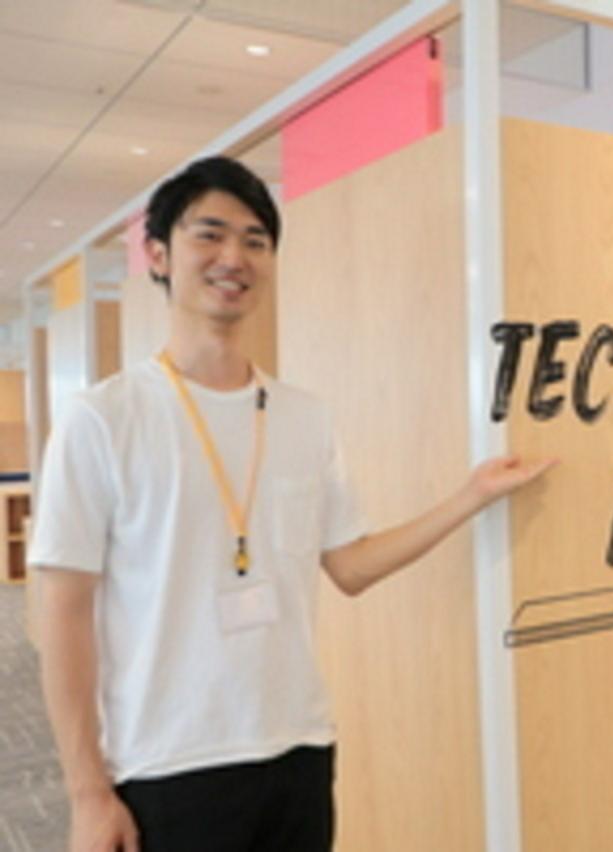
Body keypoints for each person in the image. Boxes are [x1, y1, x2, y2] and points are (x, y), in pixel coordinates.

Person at [32, 156, 554, 852]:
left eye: (255, 240)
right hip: (168, 764)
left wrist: (471, 496)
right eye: (209, 235)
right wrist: (87, 791)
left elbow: (351, 565)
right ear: (157, 255)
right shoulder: (102, 419)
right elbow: (63, 610)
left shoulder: (305, 416)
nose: (234, 257)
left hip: (299, 749)